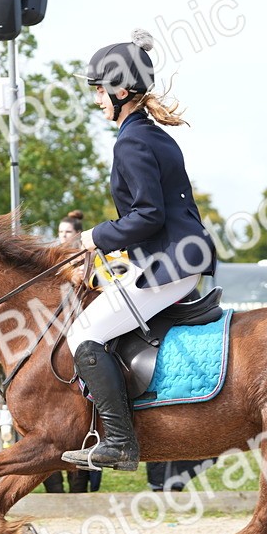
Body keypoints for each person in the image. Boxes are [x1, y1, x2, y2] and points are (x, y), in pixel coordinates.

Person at [61, 30, 217, 471]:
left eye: (98, 90)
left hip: (171, 263)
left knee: (83, 334)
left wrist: (94, 237)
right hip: (170, 257)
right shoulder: (150, 134)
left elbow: (147, 214)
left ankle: (120, 442)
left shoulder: (132, 140)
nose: (96, 100)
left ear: (121, 90)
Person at [42, 210, 101, 493]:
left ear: (78, 234)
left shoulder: (92, 256)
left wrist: (85, 274)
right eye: (60, 231)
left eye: (67, 232)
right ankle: (53, 488)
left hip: (83, 336)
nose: (62, 237)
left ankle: (80, 487)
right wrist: (68, 273)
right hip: (53, 340)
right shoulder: (54, 260)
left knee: (81, 410)